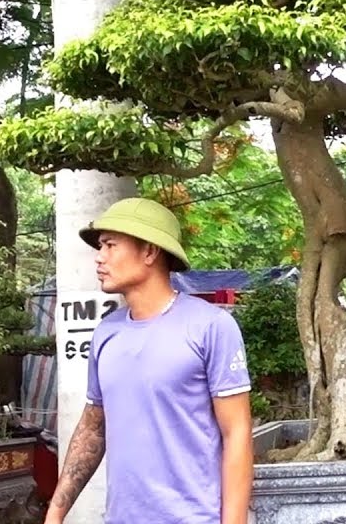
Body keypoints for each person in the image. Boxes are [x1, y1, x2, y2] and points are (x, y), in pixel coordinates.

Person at [45, 198, 253, 524]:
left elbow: (237, 433)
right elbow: (92, 429)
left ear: (149, 252)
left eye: (111, 245)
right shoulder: (106, 334)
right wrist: (55, 513)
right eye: (100, 247)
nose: (99, 257)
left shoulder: (211, 327)